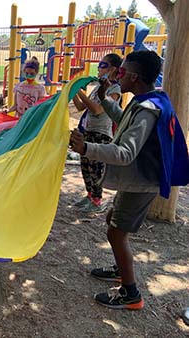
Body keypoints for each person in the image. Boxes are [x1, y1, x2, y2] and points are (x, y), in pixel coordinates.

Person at [70, 50, 189, 310]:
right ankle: (119, 269)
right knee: (113, 218)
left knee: (115, 232)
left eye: (120, 72)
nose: (115, 76)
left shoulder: (148, 109)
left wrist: (86, 148)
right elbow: (126, 121)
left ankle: (131, 293)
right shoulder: (147, 99)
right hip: (139, 179)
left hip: (142, 182)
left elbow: (125, 153)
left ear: (134, 77)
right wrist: (105, 99)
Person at [72, 53, 122, 213]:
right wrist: (73, 92)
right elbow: (81, 107)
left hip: (101, 134)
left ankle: (97, 199)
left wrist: (80, 92)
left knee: (96, 168)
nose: (99, 68)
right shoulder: (97, 88)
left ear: (113, 69)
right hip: (88, 130)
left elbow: (98, 109)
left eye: (102, 65)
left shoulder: (115, 89)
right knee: (86, 166)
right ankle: (89, 195)